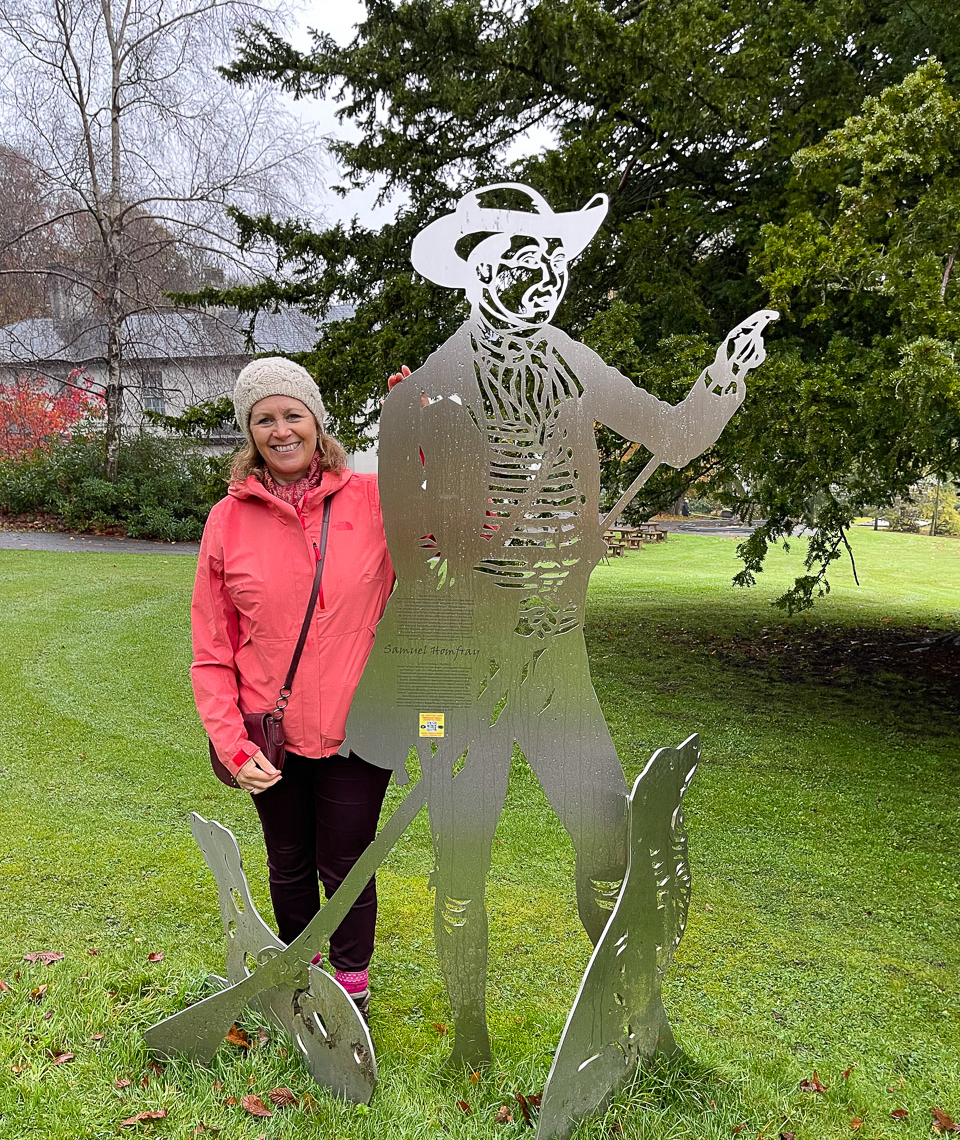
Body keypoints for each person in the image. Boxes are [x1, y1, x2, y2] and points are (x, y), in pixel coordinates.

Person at [343, 183, 777, 1064]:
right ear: (477, 275)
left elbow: (673, 435)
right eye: (521, 262)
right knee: (462, 857)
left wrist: (724, 374)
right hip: (459, 663)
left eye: (553, 262)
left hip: (555, 653)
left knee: (609, 841)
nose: (543, 277)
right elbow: (410, 547)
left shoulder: (574, 363)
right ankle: (469, 1038)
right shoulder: (421, 396)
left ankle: (636, 1024)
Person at [191, 357, 395, 1020]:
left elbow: (458, 524)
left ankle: (352, 989)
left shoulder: (375, 500)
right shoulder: (227, 520)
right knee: (288, 861)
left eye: (292, 414)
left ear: (316, 421)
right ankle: (301, 979)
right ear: (250, 433)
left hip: (359, 728)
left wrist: (421, 427)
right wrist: (231, 744)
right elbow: (211, 652)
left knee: (348, 862)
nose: (281, 430)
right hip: (267, 735)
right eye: (264, 419)